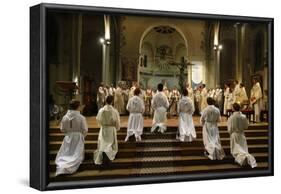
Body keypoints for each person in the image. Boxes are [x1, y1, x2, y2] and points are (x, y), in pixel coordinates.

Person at [55, 99, 88, 176]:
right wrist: (82, 136)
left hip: (68, 137)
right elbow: (85, 130)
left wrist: (69, 133)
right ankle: (68, 167)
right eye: (80, 106)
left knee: (66, 153)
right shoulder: (81, 117)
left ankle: (63, 166)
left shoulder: (65, 117)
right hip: (78, 137)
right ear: (77, 107)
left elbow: (62, 129)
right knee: (75, 155)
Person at [227, 103, 257, 168]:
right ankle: (245, 158)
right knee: (243, 149)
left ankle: (242, 160)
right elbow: (246, 126)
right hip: (241, 134)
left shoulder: (231, 117)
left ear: (233, 108)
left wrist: (230, 133)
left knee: (236, 150)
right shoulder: (243, 116)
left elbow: (230, 128)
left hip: (234, 135)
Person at [94, 95, 120, 165]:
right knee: (110, 144)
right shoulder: (114, 111)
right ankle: (108, 154)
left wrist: (102, 125)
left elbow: (98, 119)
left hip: (104, 128)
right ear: (112, 101)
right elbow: (117, 121)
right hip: (111, 129)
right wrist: (117, 128)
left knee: (104, 143)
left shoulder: (101, 110)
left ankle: (104, 153)